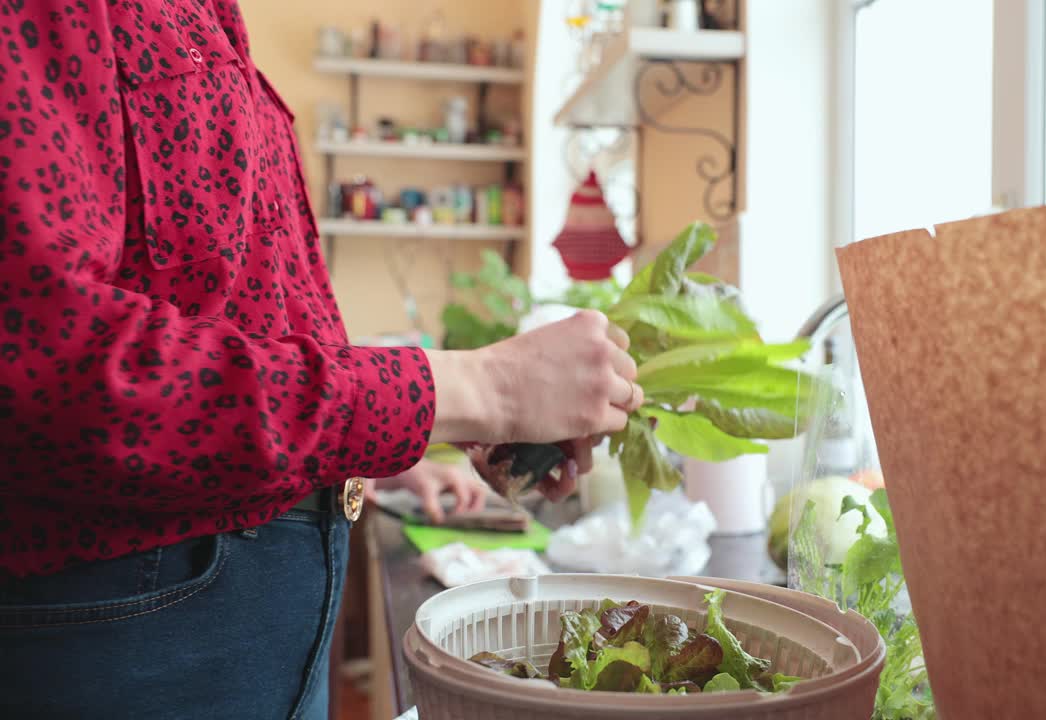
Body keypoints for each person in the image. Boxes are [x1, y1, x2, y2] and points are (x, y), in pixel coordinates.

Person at [0, 2, 643, 718]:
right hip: (131, 638)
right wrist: (475, 385)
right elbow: (46, 361)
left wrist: (392, 440)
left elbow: (229, 326)